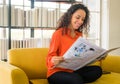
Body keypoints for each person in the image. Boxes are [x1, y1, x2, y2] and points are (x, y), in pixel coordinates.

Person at [46, 3, 102, 84]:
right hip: (56, 72)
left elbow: (81, 54)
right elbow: (50, 57)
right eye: (77, 17)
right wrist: (53, 60)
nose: (80, 21)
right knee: (76, 79)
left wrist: (96, 57)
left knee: (97, 70)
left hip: (73, 70)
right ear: (70, 16)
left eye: (83, 19)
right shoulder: (58, 33)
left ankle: (75, 80)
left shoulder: (79, 35)